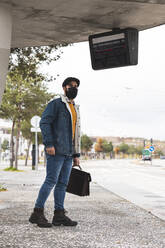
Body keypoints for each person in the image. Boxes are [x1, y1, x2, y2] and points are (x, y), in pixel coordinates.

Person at [29, 77, 81, 228]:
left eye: (76, 86)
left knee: (62, 184)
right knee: (51, 180)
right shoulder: (56, 103)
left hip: (68, 153)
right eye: (71, 85)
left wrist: (76, 154)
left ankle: (59, 215)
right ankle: (37, 212)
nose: (74, 88)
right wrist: (49, 144)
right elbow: (44, 122)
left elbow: (76, 133)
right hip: (55, 150)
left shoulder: (74, 107)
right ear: (64, 87)